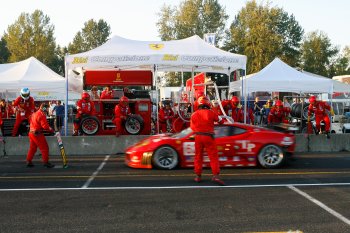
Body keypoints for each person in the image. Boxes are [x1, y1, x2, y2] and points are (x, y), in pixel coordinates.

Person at [190, 96, 225, 186]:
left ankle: (198, 176)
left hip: (198, 137)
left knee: (198, 156)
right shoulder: (211, 112)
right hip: (209, 137)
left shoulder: (194, 114)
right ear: (208, 103)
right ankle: (215, 176)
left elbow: (192, 128)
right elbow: (221, 121)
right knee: (213, 156)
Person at [26, 103, 55, 168]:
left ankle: (28, 161)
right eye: (47, 108)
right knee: (45, 148)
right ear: (44, 108)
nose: (48, 109)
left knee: (32, 148)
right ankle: (46, 162)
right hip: (37, 133)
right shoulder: (42, 115)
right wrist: (52, 130)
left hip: (31, 132)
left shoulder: (35, 113)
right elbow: (45, 126)